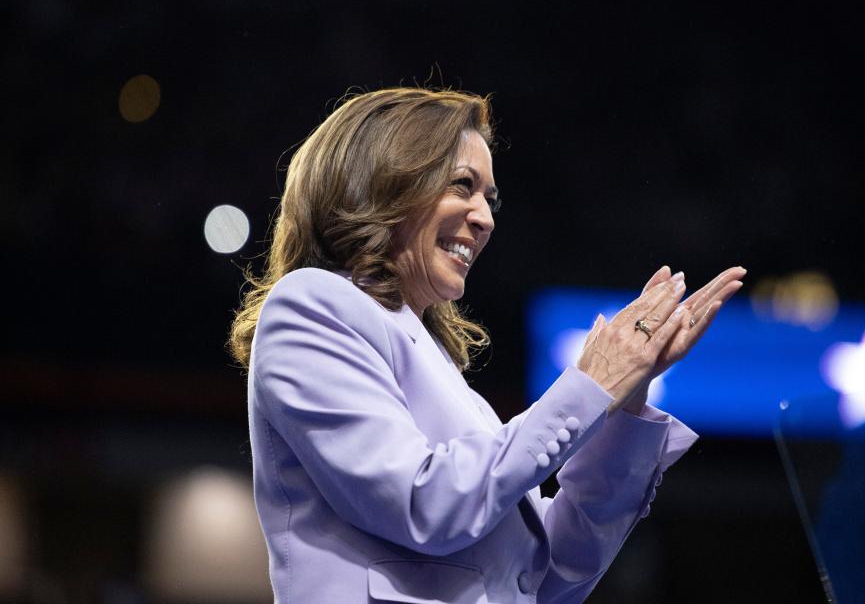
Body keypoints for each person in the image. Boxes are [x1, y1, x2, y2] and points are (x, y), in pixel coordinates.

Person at [228, 87, 745, 603]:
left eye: (490, 199)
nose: (485, 218)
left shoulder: (451, 382)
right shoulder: (312, 306)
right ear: (381, 183)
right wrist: (590, 383)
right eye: (462, 186)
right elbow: (422, 505)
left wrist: (628, 390)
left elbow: (555, 575)